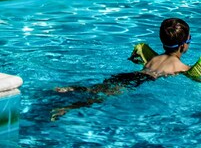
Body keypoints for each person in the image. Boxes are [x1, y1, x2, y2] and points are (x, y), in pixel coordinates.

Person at [50, 17, 191, 120]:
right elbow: (195, 75)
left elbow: (135, 60)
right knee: (99, 98)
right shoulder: (180, 66)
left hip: (129, 75)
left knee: (96, 89)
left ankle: (71, 88)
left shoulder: (154, 59)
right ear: (183, 45)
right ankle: (66, 108)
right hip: (138, 81)